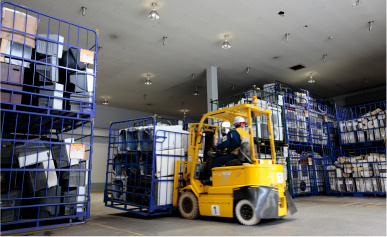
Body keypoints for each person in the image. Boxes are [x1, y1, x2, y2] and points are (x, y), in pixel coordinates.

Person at [202, 116, 249, 185]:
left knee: (217, 160)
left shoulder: (233, 132)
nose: (244, 125)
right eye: (244, 124)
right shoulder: (247, 133)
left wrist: (218, 147)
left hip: (235, 155)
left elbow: (226, 143)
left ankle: (210, 178)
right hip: (244, 155)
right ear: (241, 124)